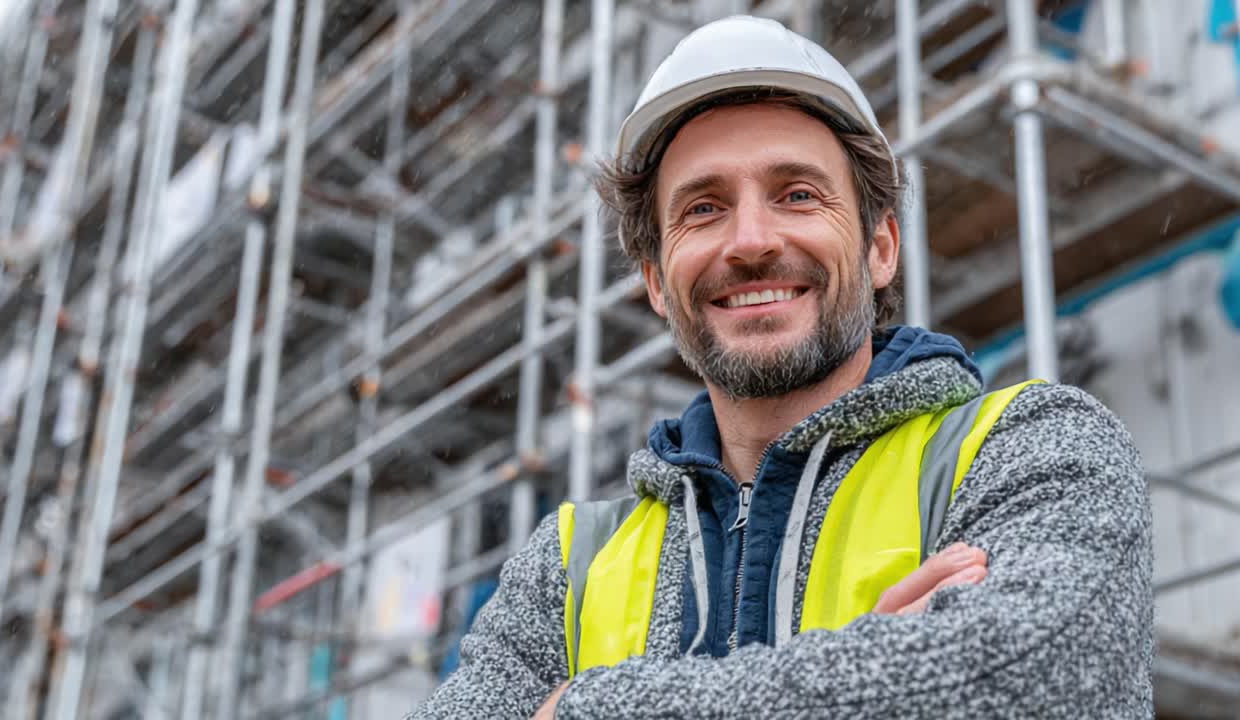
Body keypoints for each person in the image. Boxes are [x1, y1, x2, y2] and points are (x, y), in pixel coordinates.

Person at [409, 15, 1152, 719]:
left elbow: (1039, 684)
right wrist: (880, 675)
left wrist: (577, 707)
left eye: (797, 195)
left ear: (881, 247)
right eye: (702, 209)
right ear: (657, 283)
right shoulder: (569, 564)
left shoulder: (1030, 448)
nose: (752, 241)